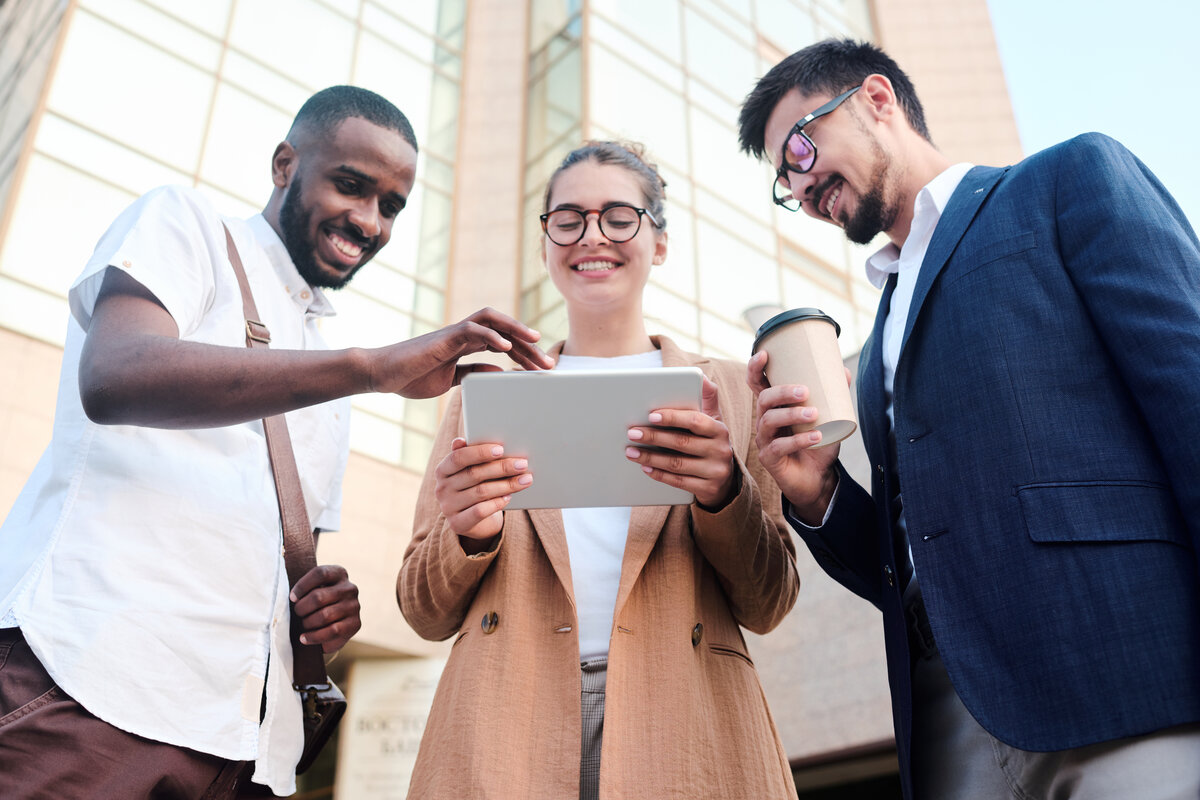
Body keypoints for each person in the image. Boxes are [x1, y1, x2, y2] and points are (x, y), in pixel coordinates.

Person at [0, 85, 553, 799]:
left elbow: (286, 569)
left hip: (243, 748)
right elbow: (112, 377)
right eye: (351, 186)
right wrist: (370, 369)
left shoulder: (326, 363)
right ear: (285, 164)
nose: (369, 221)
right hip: (92, 689)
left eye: (391, 206)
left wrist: (324, 611)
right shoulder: (187, 224)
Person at [736, 38, 1200, 800]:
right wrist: (817, 495)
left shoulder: (1064, 181)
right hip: (949, 722)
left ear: (877, 100)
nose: (800, 182)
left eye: (800, 146)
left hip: (1121, 682)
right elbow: (909, 562)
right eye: (785, 180)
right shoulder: (879, 329)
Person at [397, 141, 800, 799]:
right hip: (506, 727)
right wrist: (467, 533)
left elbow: (770, 600)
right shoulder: (487, 397)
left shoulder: (730, 390)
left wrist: (725, 494)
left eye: (619, 217)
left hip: (686, 715)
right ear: (546, 241)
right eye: (569, 218)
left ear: (659, 242)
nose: (592, 236)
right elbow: (421, 608)